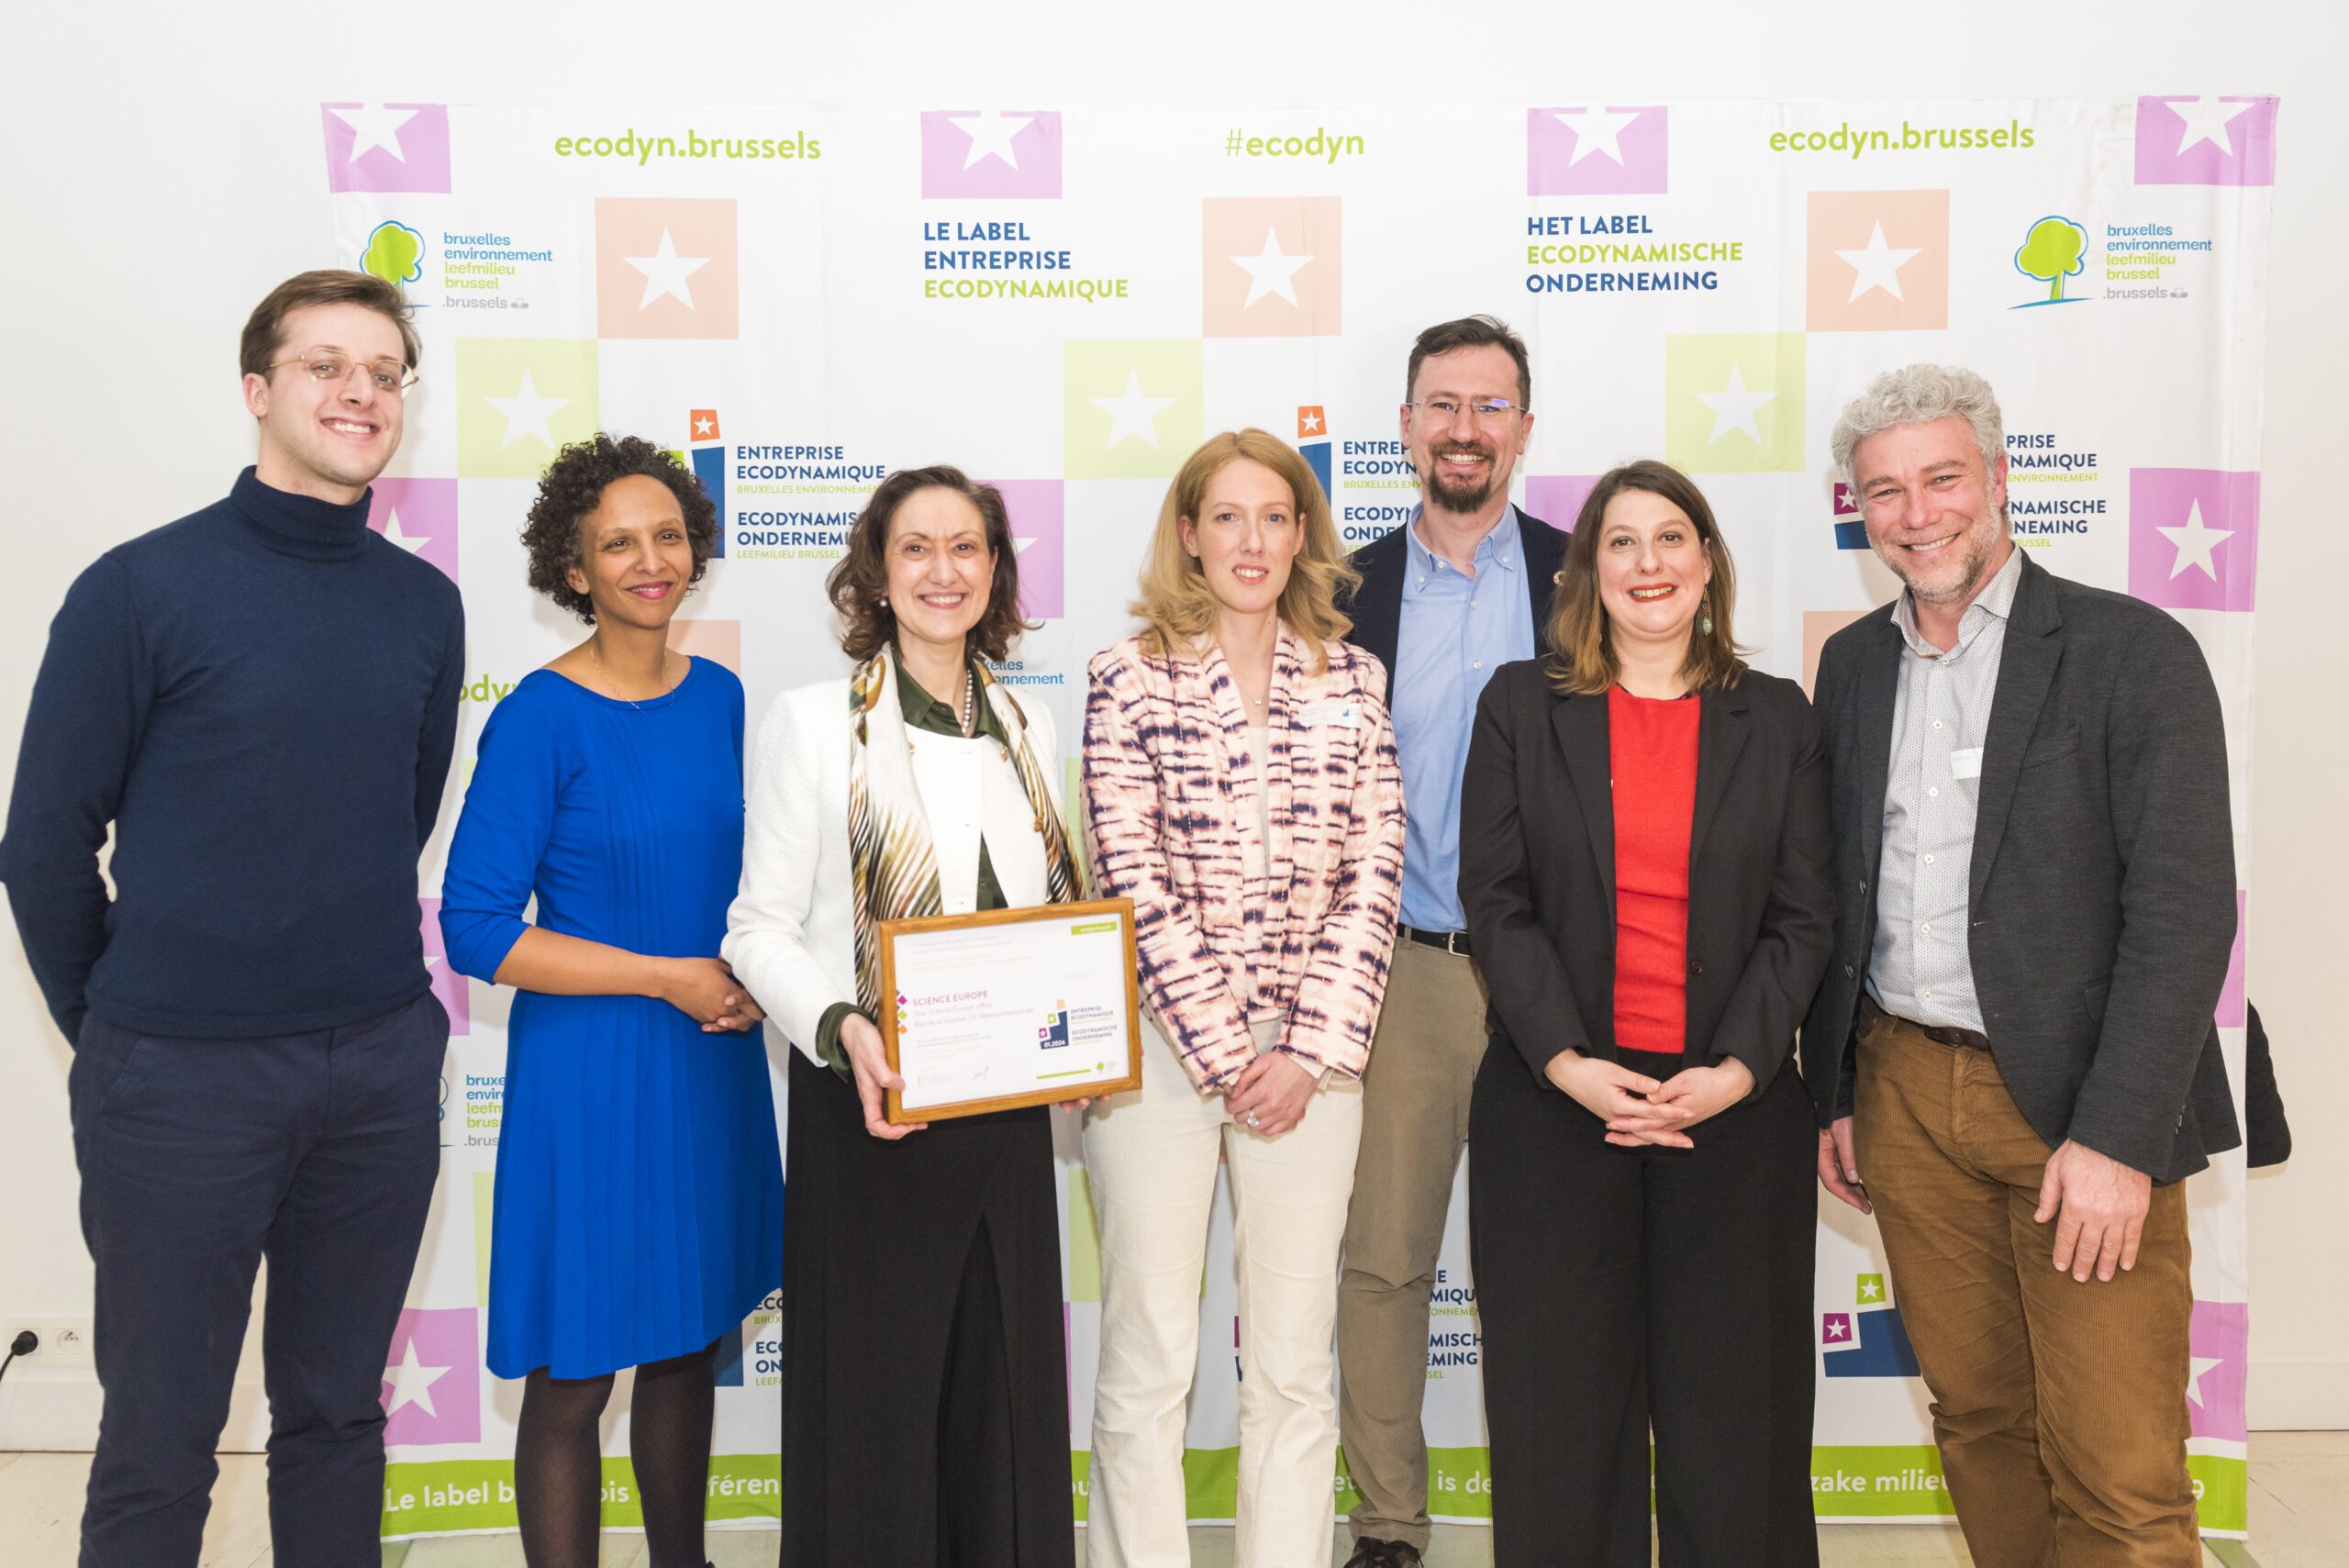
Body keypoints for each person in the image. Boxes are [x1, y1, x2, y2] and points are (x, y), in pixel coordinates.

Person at [0, 271, 462, 1567]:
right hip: (179, 1077)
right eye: (326, 365)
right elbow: (42, 844)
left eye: (384, 372)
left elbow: (399, 810)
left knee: (335, 1417)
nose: (360, 392)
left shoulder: (422, 603)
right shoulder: (138, 588)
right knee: (160, 1438)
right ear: (258, 389)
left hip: (376, 1068)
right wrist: (124, 1026)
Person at [1802, 364, 2239, 1566]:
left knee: (2119, 1465)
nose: (1917, 513)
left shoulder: (2130, 651)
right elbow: (1841, 895)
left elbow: (2183, 912)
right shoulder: (1854, 666)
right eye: (1884, 490)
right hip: (1904, 1095)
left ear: (1999, 479)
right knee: (1980, 1423)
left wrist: (2119, 1137)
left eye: (1942, 477)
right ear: (1858, 508)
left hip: (2077, 1107)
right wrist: (1837, 1091)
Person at [1460, 460, 1832, 1567]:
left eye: (1671, 537)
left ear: (1707, 562)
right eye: (1619, 542)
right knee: (1561, 1418)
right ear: (1587, 570)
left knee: (1737, 1418)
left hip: (1732, 1110)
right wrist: (1570, 1063)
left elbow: (1804, 916)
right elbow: (1496, 903)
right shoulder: (1519, 705)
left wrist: (1737, 1069)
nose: (1647, 563)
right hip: (1557, 1105)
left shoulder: (1778, 716)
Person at [723, 466, 1082, 1568]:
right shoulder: (813, 722)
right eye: (915, 547)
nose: (942, 570)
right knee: (874, 1409)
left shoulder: (1028, 721)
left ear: (995, 570)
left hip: (1004, 1114)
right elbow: (756, 930)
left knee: (997, 1396)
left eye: (965, 546)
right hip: (868, 1102)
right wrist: (843, 1027)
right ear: (877, 573)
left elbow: (1053, 920)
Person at [438, 434, 782, 1567]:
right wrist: (665, 974)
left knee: (688, 1339)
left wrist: (748, 972)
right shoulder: (540, 714)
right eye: (618, 543)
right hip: (590, 1074)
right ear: (573, 568)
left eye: (668, 535)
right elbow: (477, 926)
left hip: (709, 1061)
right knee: (576, 1373)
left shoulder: (721, 696)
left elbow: (731, 883)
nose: (650, 560)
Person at [1081, 428, 1408, 1568]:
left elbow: (1375, 872)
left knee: (1292, 1361)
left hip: (1314, 1062)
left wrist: (1305, 1052)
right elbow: (1130, 877)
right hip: (1161, 1055)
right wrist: (1230, 1057)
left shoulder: (1354, 677)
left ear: (1302, 532)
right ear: (1188, 533)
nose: (1251, 540)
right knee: (1149, 1354)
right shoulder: (1126, 677)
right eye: (1226, 516)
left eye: (1274, 515)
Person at [1330, 314, 1575, 1568]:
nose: (1464, 429)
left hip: (1566, 981)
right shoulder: (1336, 591)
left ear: (1524, 429)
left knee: (1557, 1273)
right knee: (1384, 1264)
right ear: (1407, 425)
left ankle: (1562, 1520)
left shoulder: (1595, 576)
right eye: (1443, 404)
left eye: (1489, 406)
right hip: (1407, 974)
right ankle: (1388, 1526)